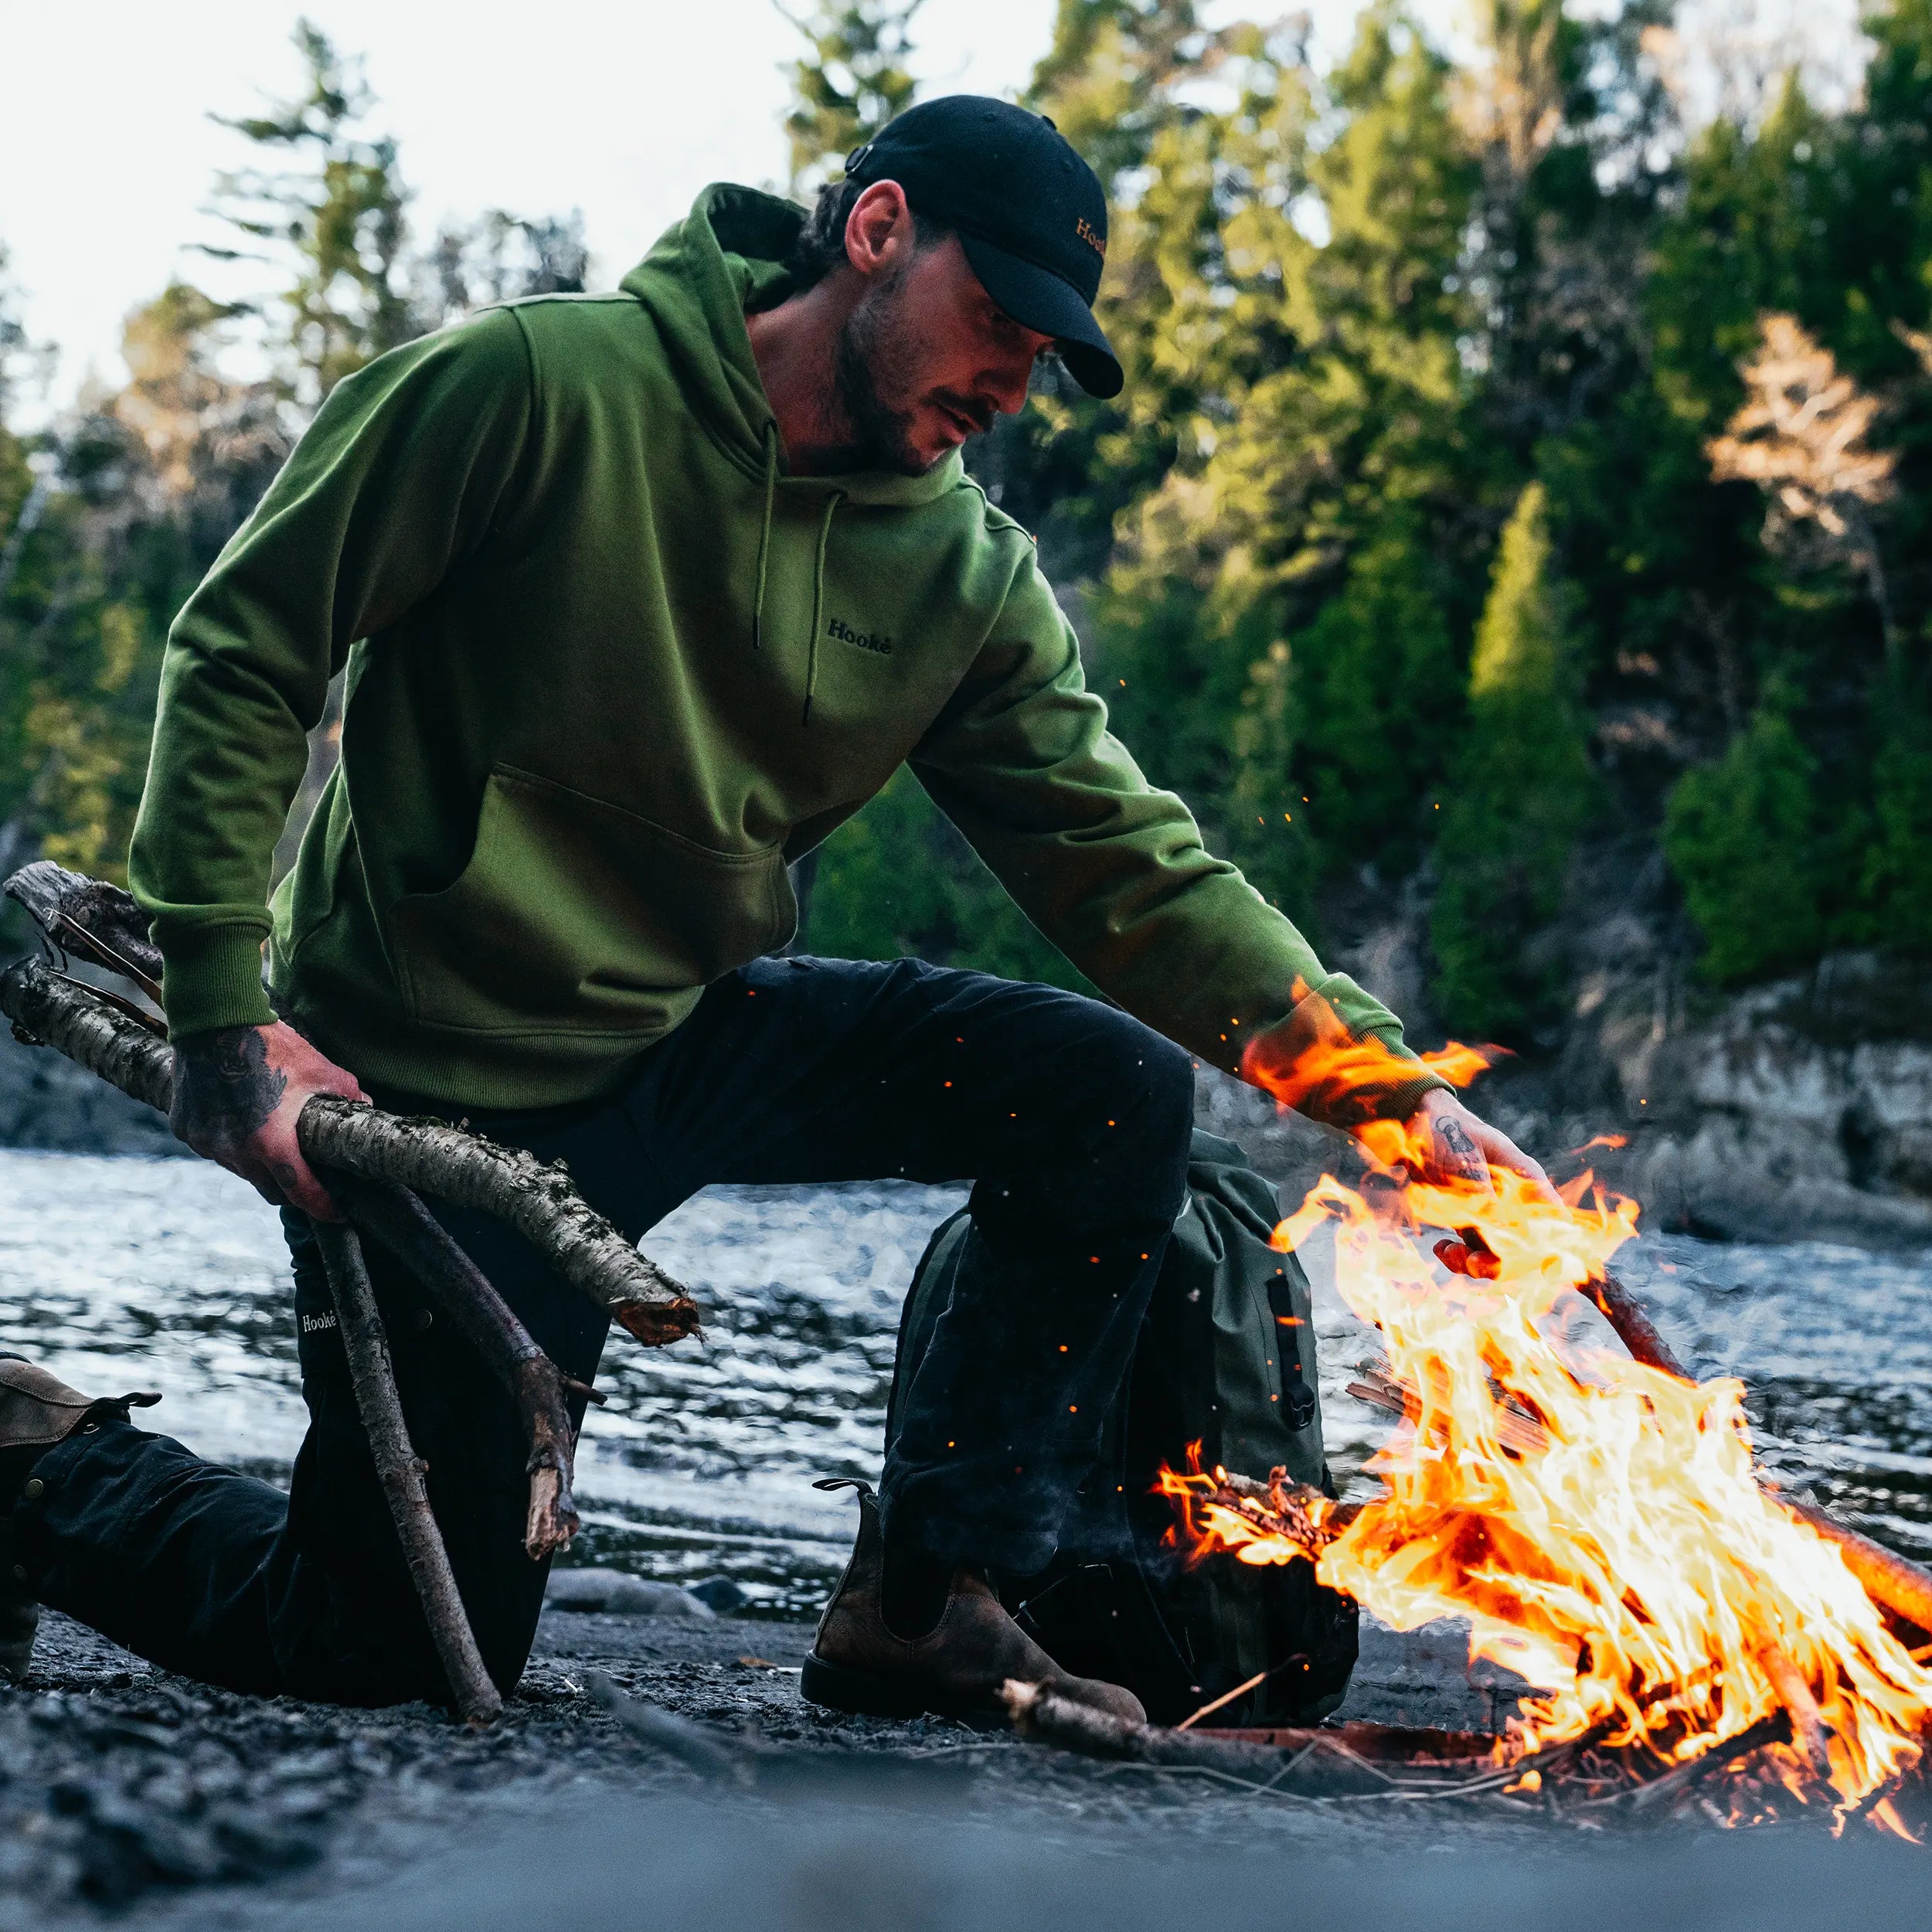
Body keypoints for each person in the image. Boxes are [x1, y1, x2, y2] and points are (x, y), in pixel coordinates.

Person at [0, 97, 1546, 1720]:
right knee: (376, 1653)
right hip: (429, 1075)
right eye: (996, 323)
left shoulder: (961, 571)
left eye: (1044, 355)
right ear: (874, 231)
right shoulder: (533, 386)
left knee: (1106, 1094)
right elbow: (246, 648)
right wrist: (223, 1019)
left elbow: (1127, 864)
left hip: (691, 1030)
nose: (1012, 385)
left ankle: (919, 1597)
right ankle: (37, 1464)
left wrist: (1394, 1100)